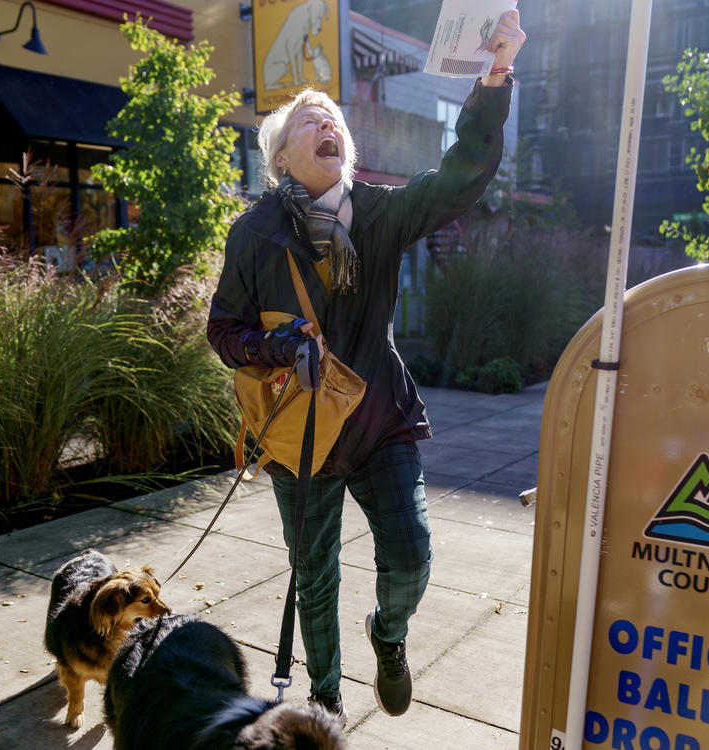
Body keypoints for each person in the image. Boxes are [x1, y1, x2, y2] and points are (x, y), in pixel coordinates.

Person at [206, 10, 526, 727]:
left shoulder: (378, 215)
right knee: (314, 581)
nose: (328, 124)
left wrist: (495, 76)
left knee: (411, 555)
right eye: (308, 121)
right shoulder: (254, 234)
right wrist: (278, 346)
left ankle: (390, 636)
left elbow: (458, 179)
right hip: (303, 432)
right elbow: (222, 330)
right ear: (282, 158)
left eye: (334, 120)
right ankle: (323, 705)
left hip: (379, 418)